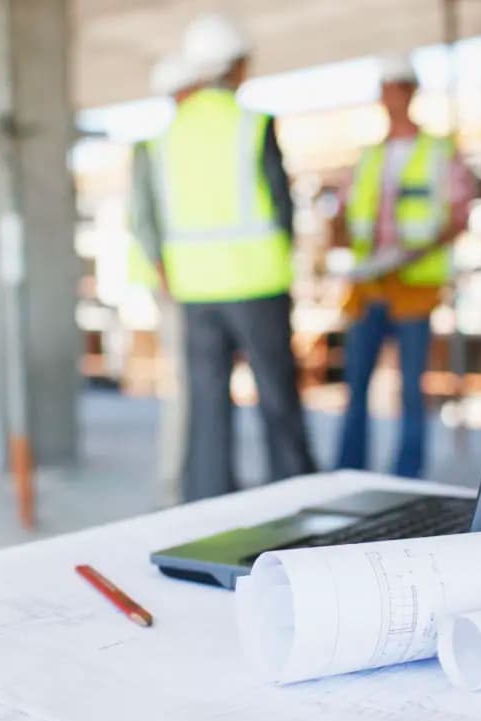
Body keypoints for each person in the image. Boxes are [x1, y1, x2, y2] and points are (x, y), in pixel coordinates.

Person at [150, 11, 316, 501]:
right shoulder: (252, 124)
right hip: (256, 283)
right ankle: (295, 499)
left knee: (208, 409)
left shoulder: (166, 136)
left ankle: (206, 506)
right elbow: (283, 206)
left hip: (196, 289)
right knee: (277, 399)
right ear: (236, 66)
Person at [336, 54, 473, 479]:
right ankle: (347, 472)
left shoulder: (438, 152)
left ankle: (407, 477)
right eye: (385, 89)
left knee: (412, 390)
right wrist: (341, 247)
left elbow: (459, 215)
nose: (390, 97)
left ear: (411, 92)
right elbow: (341, 214)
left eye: (398, 87)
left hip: (414, 286)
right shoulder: (367, 158)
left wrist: (416, 250)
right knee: (356, 386)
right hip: (367, 286)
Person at [128, 54, 200, 506]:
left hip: (205, 285)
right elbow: (145, 223)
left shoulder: (183, 146)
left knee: (199, 387)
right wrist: (166, 277)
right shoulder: (157, 148)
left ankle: (195, 478)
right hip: (176, 287)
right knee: (187, 388)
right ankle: (174, 486)